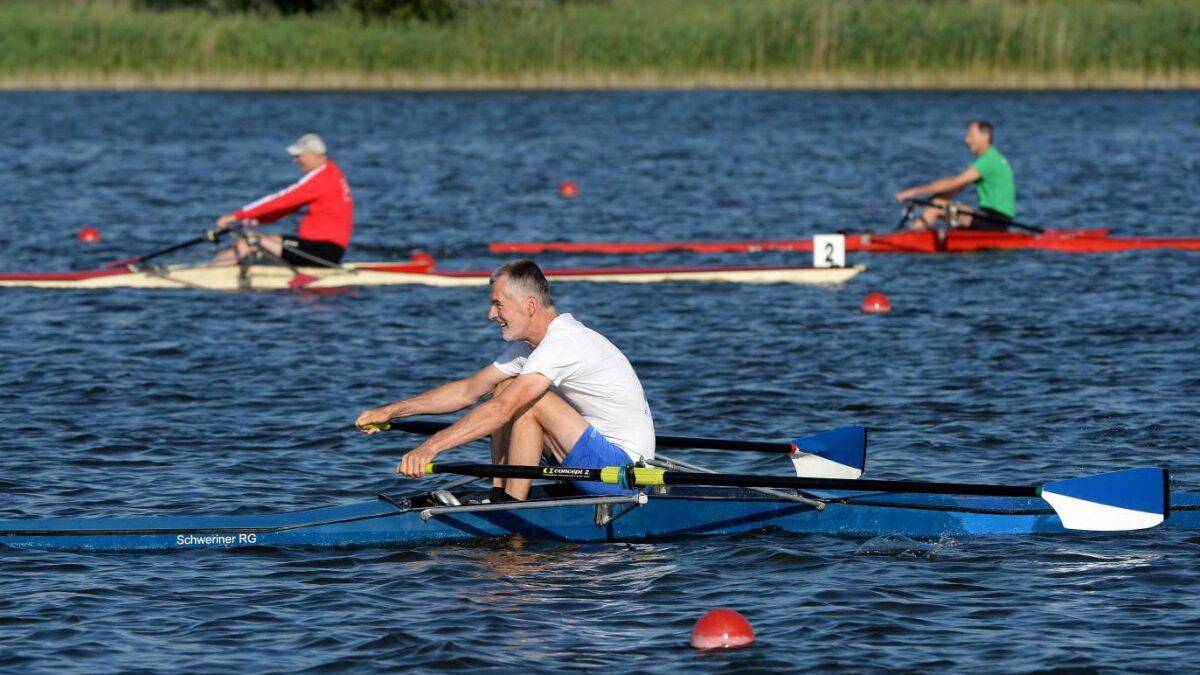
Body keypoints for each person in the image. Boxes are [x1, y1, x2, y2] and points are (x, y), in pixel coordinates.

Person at [355, 259, 655, 502]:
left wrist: (430, 448)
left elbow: (501, 410)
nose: (490, 314)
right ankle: (502, 495)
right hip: (589, 460)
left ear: (529, 305)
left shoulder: (564, 343)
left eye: (498, 305)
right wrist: (391, 411)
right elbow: (468, 390)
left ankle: (511, 506)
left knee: (526, 401)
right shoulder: (530, 347)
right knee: (504, 387)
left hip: (623, 476)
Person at [212, 133, 353, 266]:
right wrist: (257, 220)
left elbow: (281, 199)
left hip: (322, 251)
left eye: (298, 155)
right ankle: (209, 271)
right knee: (246, 240)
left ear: (314, 155)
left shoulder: (321, 179)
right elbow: (288, 207)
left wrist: (236, 215)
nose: (295, 160)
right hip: (321, 248)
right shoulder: (331, 172)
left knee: (248, 242)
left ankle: (208, 277)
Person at [894, 119, 1016, 231]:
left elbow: (955, 182)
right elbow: (956, 188)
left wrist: (914, 191)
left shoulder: (989, 160)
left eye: (971, 136)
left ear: (986, 137)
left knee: (935, 208)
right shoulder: (992, 158)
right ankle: (914, 236)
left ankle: (908, 240)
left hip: (995, 221)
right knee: (937, 205)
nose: (967, 140)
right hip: (989, 217)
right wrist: (925, 201)